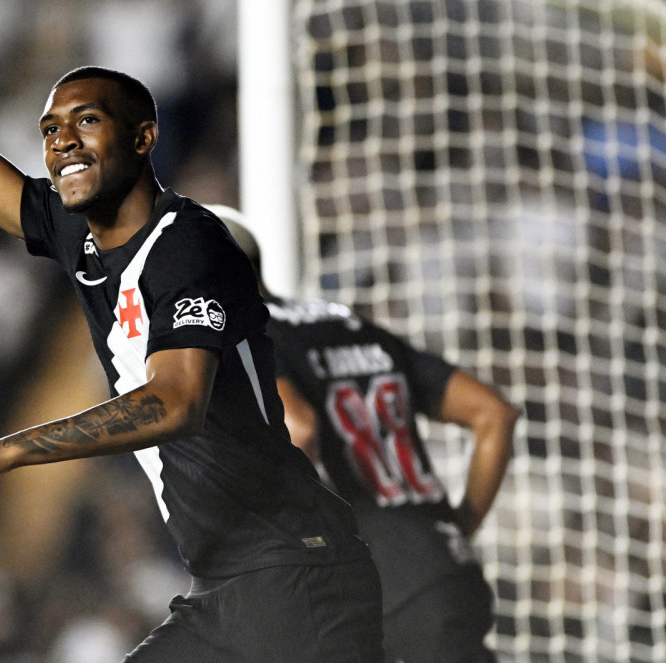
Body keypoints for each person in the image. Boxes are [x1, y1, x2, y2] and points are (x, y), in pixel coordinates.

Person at [0, 0, 384, 662]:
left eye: (86, 121)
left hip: (299, 574)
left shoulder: (190, 243)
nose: (62, 142)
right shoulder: (74, 233)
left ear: (145, 138)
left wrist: (3, 453)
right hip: (228, 586)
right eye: (50, 129)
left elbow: (174, 403)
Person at [208, 205, 519, 663]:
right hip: (442, 568)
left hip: (381, 590)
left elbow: (297, 428)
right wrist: (454, 528)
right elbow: (494, 413)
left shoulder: (246, 335)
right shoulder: (345, 324)